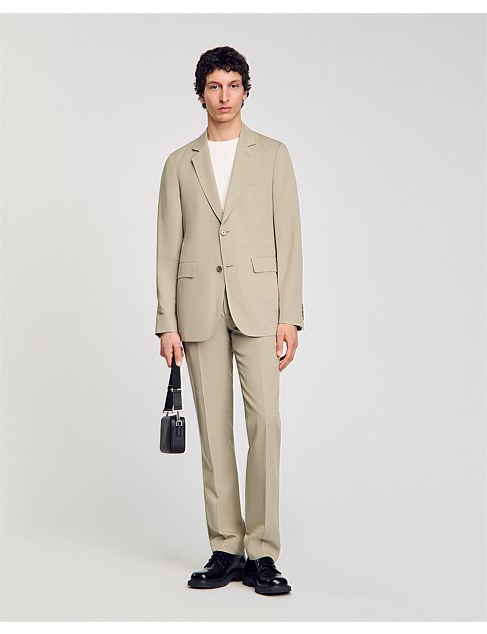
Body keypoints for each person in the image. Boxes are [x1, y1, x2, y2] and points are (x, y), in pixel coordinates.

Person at [155, 46, 304, 596]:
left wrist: (291, 315)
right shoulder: (179, 163)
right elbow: (167, 247)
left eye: (233, 85)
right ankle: (226, 547)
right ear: (201, 94)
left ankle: (262, 552)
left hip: (259, 305)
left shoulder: (273, 155)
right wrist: (166, 322)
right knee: (214, 430)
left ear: (245, 91)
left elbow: (289, 238)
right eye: (214, 86)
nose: (224, 96)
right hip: (197, 309)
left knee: (265, 424)